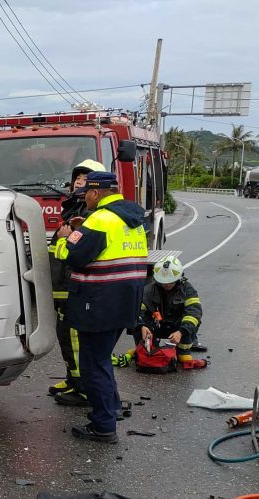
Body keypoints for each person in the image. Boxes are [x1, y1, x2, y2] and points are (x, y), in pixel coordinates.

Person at [52, 171, 148, 443]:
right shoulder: (131, 218)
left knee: (93, 365)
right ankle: (112, 407)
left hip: (99, 302)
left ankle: (103, 425)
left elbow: (73, 256)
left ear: (95, 193)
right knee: (102, 359)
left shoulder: (100, 220)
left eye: (86, 195)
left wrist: (64, 238)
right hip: (126, 301)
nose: (85, 200)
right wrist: (85, 229)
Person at [50, 159, 105, 406]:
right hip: (63, 283)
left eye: (85, 179)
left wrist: (67, 236)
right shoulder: (74, 207)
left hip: (75, 285)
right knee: (64, 336)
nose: (79, 182)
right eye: (77, 178)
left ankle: (83, 388)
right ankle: (73, 378)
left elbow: (77, 251)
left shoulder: (91, 214)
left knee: (74, 338)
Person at [115, 255, 207, 370]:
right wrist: (142, 326)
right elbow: (136, 310)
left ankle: (183, 351)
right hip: (156, 326)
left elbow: (194, 312)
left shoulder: (187, 290)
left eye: (170, 281)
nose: (167, 284)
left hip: (177, 327)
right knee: (135, 322)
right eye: (163, 282)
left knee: (192, 322)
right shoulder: (149, 290)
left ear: (179, 278)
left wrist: (181, 331)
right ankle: (144, 348)